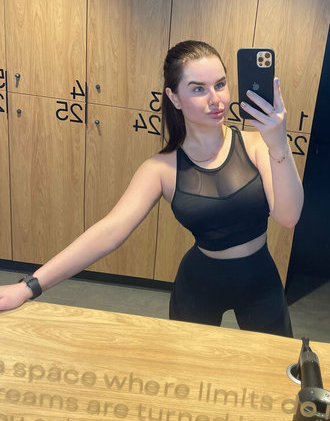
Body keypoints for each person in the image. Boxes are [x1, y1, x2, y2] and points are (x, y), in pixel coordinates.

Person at [0, 41, 304, 336]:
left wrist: (279, 143)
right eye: (198, 89)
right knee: (187, 368)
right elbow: (109, 231)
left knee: (278, 365)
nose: (216, 99)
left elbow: (288, 217)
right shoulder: (160, 169)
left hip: (260, 280)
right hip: (200, 284)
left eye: (220, 84)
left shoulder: (257, 145)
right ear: (174, 97)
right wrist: (29, 286)